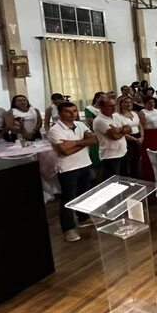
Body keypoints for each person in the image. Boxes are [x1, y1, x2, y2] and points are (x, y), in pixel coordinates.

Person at [47, 102, 97, 242]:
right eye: (68, 111)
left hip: (84, 164)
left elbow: (93, 139)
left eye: (74, 111)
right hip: (68, 168)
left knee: (84, 194)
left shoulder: (80, 125)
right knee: (68, 198)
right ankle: (68, 228)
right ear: (60, 113)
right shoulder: (55, 130)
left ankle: (83, 217)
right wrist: (83, 142)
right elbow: (64, 151)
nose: (72, 114)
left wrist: (75, 143)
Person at [93, 96, 131, 179]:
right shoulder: (99, 120)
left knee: (126, 178)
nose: (114, 108)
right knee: (114, 182)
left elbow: (129, 129)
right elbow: (115, 136)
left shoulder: (116, 116)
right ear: (101, 107)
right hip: (111, 156)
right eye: (110, 106)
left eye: (115, 105)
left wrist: (120, 130)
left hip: (123, 152)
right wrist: (123, 131)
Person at [138, 97, 157, 182]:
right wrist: (153, 129)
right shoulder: (142, 112)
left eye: (153, 102)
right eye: (149, 102)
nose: (152, 104)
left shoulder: (156, 111)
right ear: (145, 103)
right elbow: (141, 127)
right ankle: (150, 176)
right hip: (149, 135)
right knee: (150, 155)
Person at [117, 96, 143, 178]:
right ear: (120, 104)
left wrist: (142, 137)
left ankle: (136, 176)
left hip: (138, 137)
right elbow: (122, 132)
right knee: (129, 160)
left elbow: (140, 126)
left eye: (130, 102)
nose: (128, 104)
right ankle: (129, 178)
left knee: (137, 158)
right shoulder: (118, 116)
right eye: (126, 102)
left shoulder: (134, 113)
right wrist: (135, 139)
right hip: (128, 139)